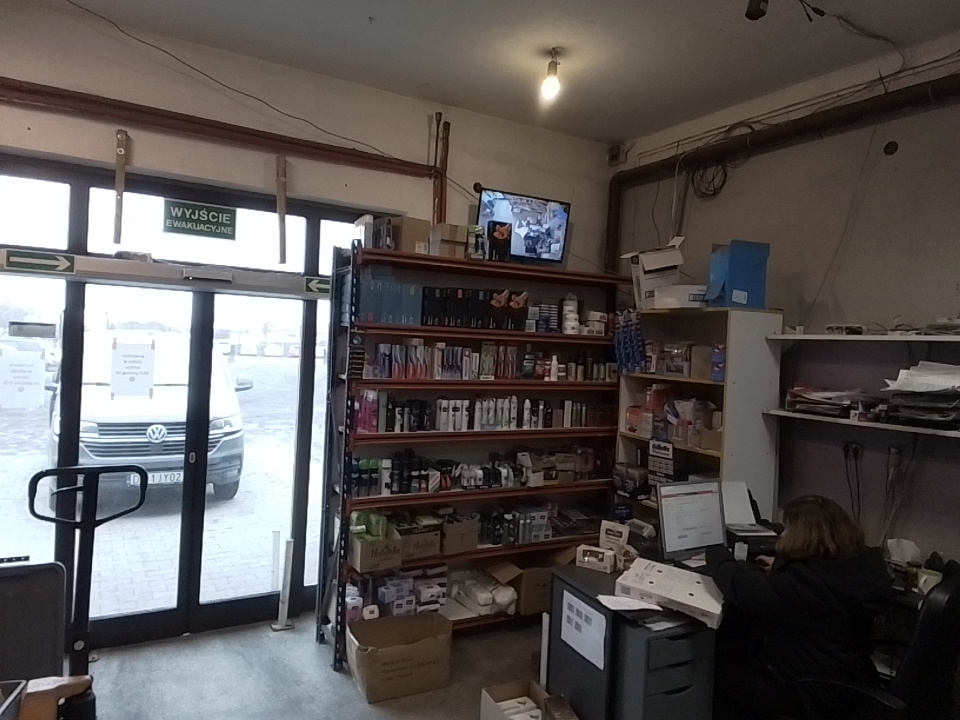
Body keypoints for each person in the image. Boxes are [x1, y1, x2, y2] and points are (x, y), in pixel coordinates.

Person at [705, 495, 894, 720]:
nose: (783, 534)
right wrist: (781, 568)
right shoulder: (858, 568)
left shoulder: (804, 585)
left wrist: (715, 550)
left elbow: (740, 587)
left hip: (808, 690)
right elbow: (810, 582)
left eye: (787, 528)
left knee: (715, 669)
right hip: (848, 679)